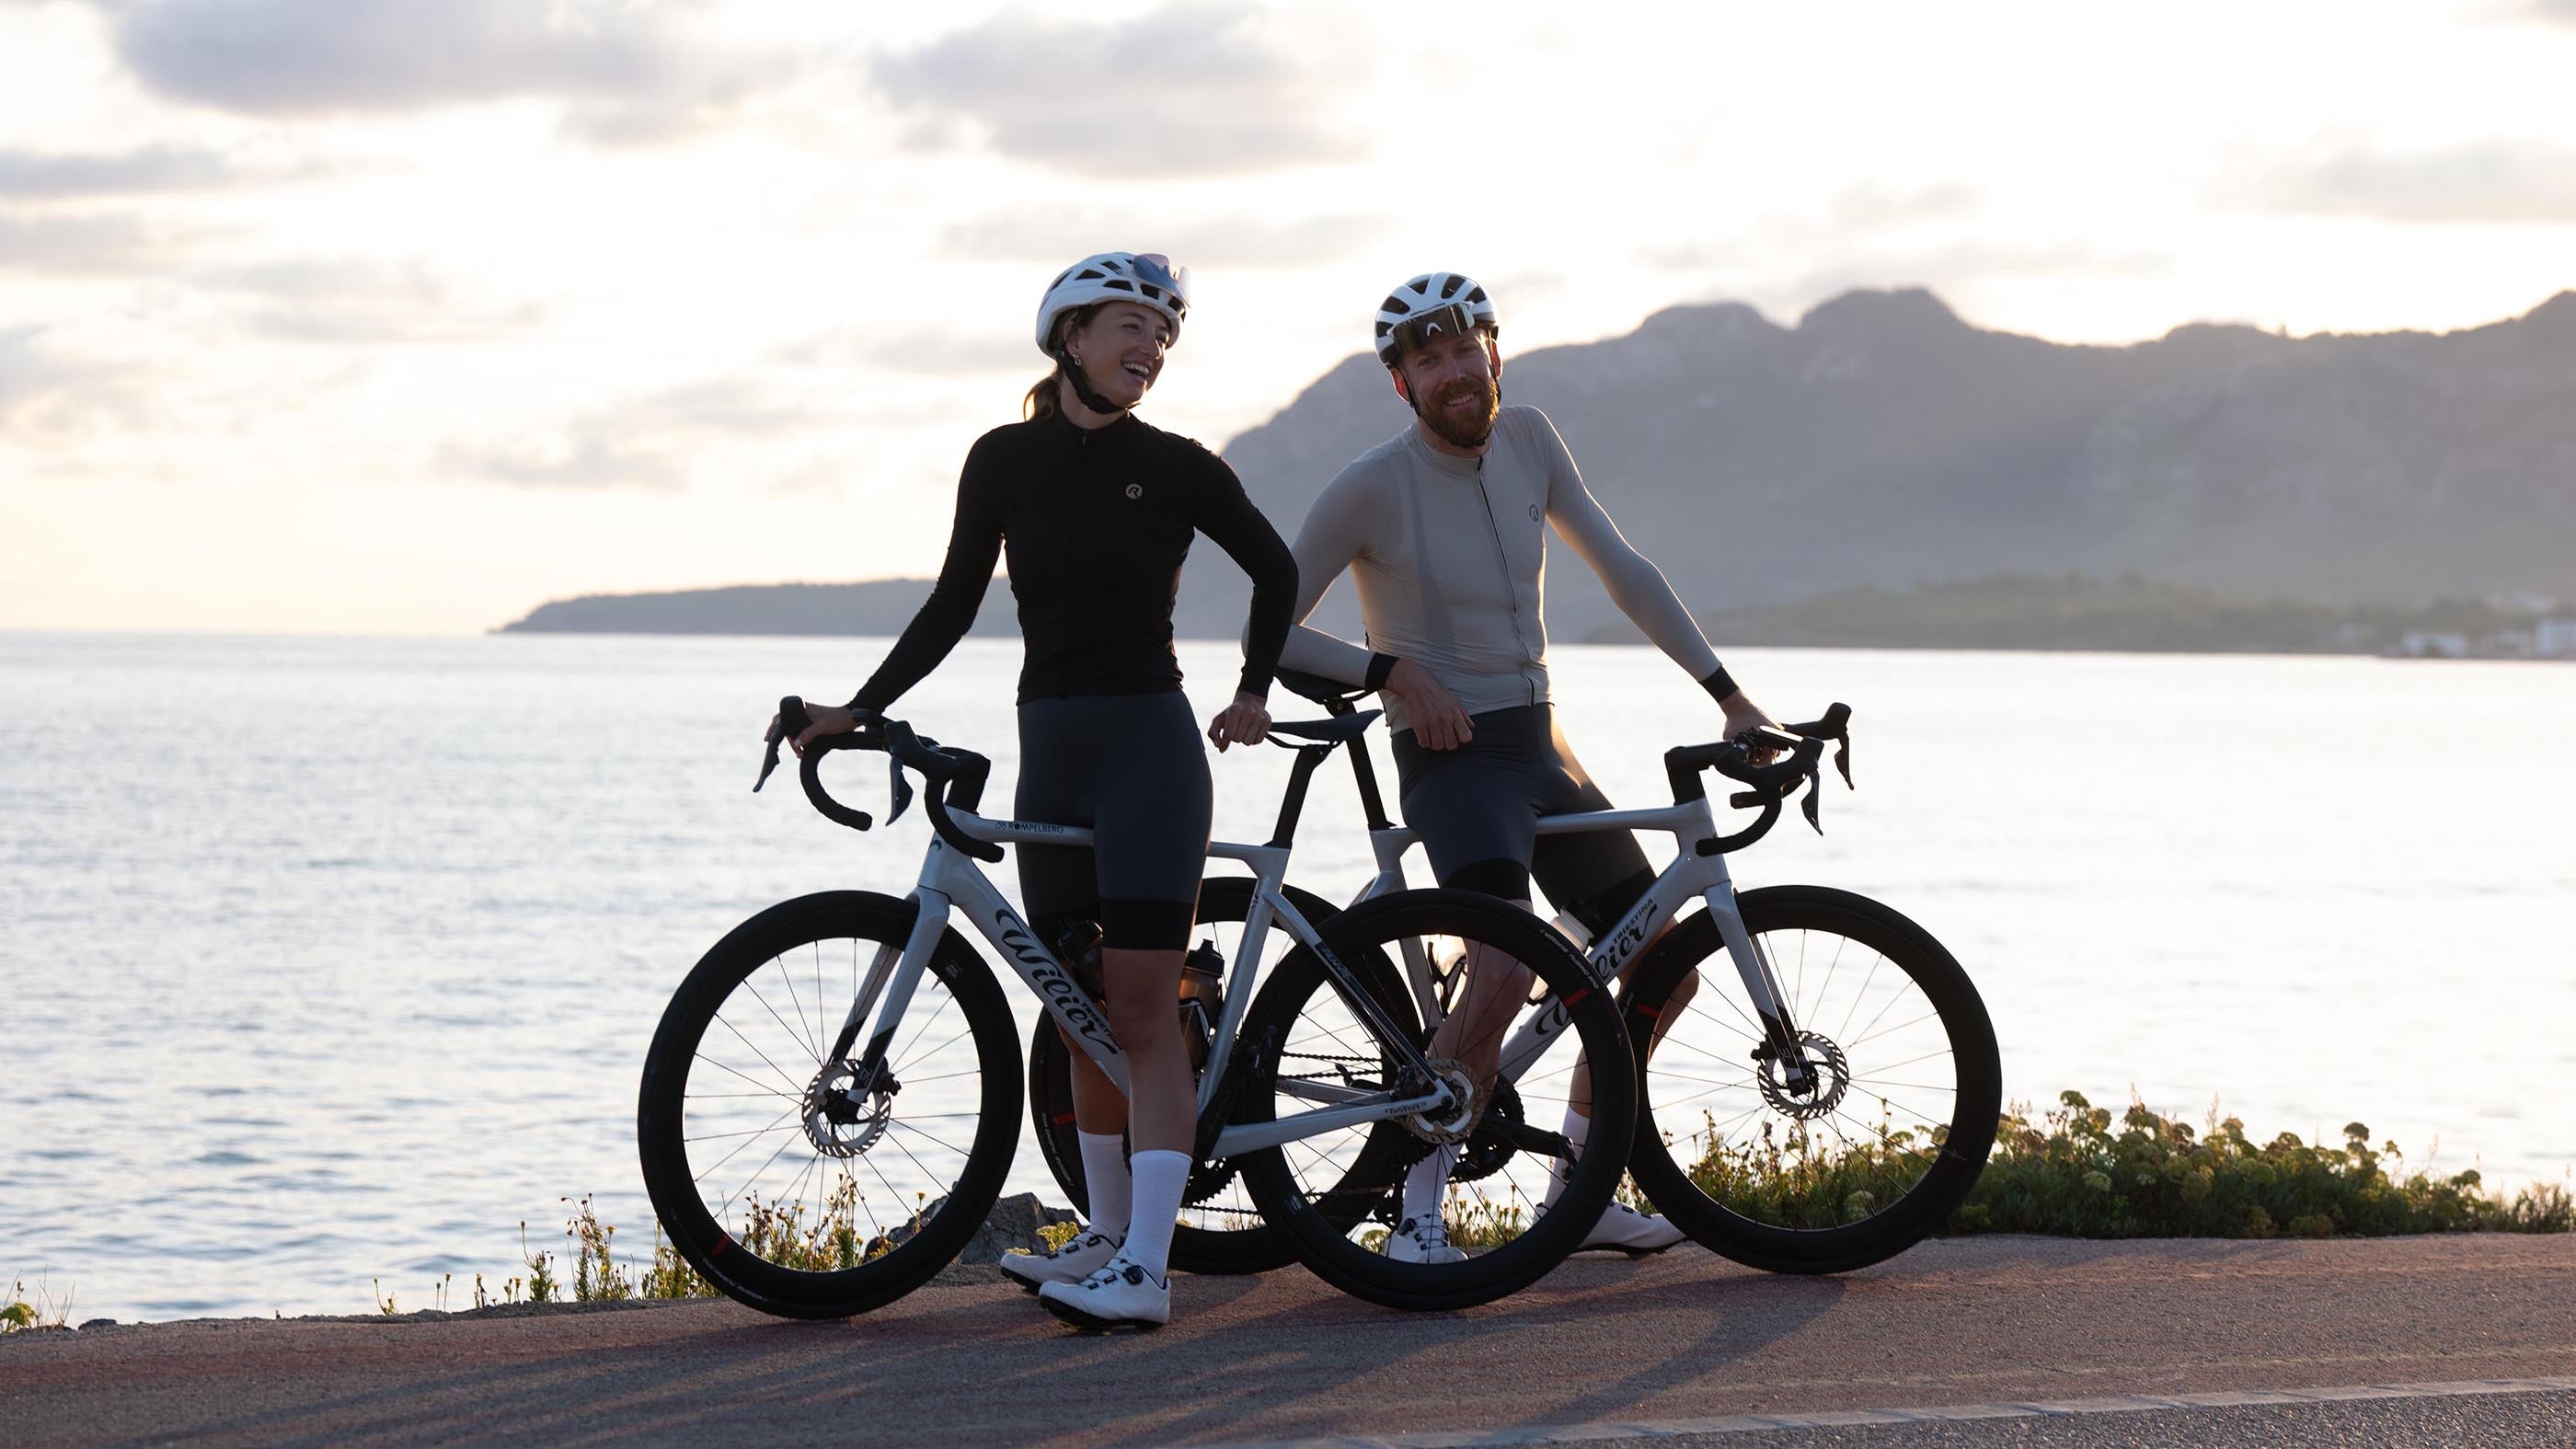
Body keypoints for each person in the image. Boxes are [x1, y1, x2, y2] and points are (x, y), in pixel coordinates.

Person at [787, 252, 1296, 1329]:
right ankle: (1108, 1239)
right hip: (1051, 746)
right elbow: (951, 602)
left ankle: (1148, 1273)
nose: (1149, 348)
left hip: (1148, 750)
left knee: (1147, 1016)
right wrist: (856, 708)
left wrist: (1252, 688)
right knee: (1078, 1009)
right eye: (1129, 325)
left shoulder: (1178, 466)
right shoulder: (1003, 460)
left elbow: (1276, 569)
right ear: (1069, 335)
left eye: (1163, 335)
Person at [1274, 270, 1775, 1261]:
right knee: (1501, 968)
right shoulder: (1374, 484)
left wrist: (1727, 693)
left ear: (1493, 354)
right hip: (1453, 757)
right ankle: (1414, 1209)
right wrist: (1390, 673)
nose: (1453, 371)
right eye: (1427, 360)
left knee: (1660, 968)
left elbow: (1623, 570)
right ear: (1401, 385)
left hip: (1542, 747)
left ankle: (1574, 1195)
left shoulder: (1533, 439)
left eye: (1466, 350)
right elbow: (1268, 630)